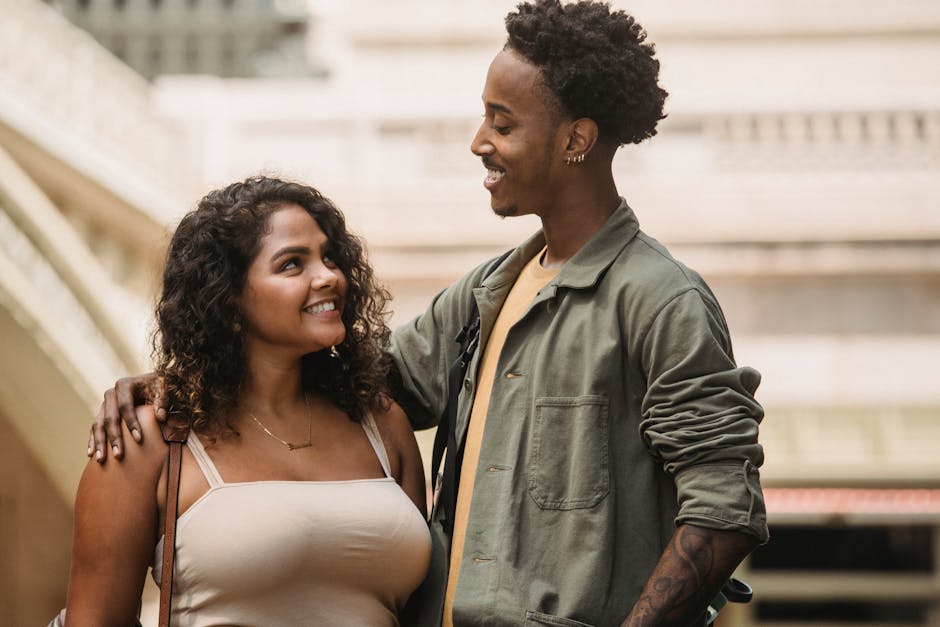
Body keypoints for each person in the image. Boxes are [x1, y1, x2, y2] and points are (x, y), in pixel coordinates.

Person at [93, 2, 769, 625]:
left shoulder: (661, 300)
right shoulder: (486, 295)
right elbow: (350, 373)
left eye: (503, 122)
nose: (479, 141)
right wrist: (178, 382)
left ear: (575, 140)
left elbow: (723, 511)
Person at [67, 176, 430, 626]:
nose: (329, 277)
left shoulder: (381, 424)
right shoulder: (148, 442)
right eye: (292, 264)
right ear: (228, 297)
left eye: (329, 256)